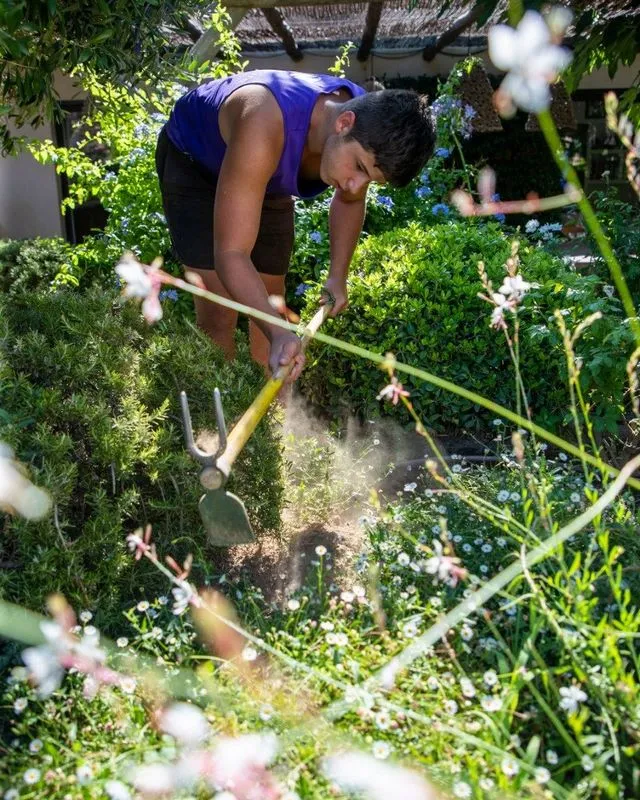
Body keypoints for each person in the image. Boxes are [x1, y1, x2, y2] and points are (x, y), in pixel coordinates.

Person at [155, 69, 434, 381]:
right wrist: (279, 333)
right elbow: (231, 254)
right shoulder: (264, 120)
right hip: (196, 166)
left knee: (272, 299)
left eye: (370, 179)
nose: (356, 184)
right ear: (344, 124)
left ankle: (274, 414)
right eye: (358, 167)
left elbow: (350, 200)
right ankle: (220, 406)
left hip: (262, 168)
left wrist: (337, 277)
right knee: (220, 308)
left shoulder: (369, 124)